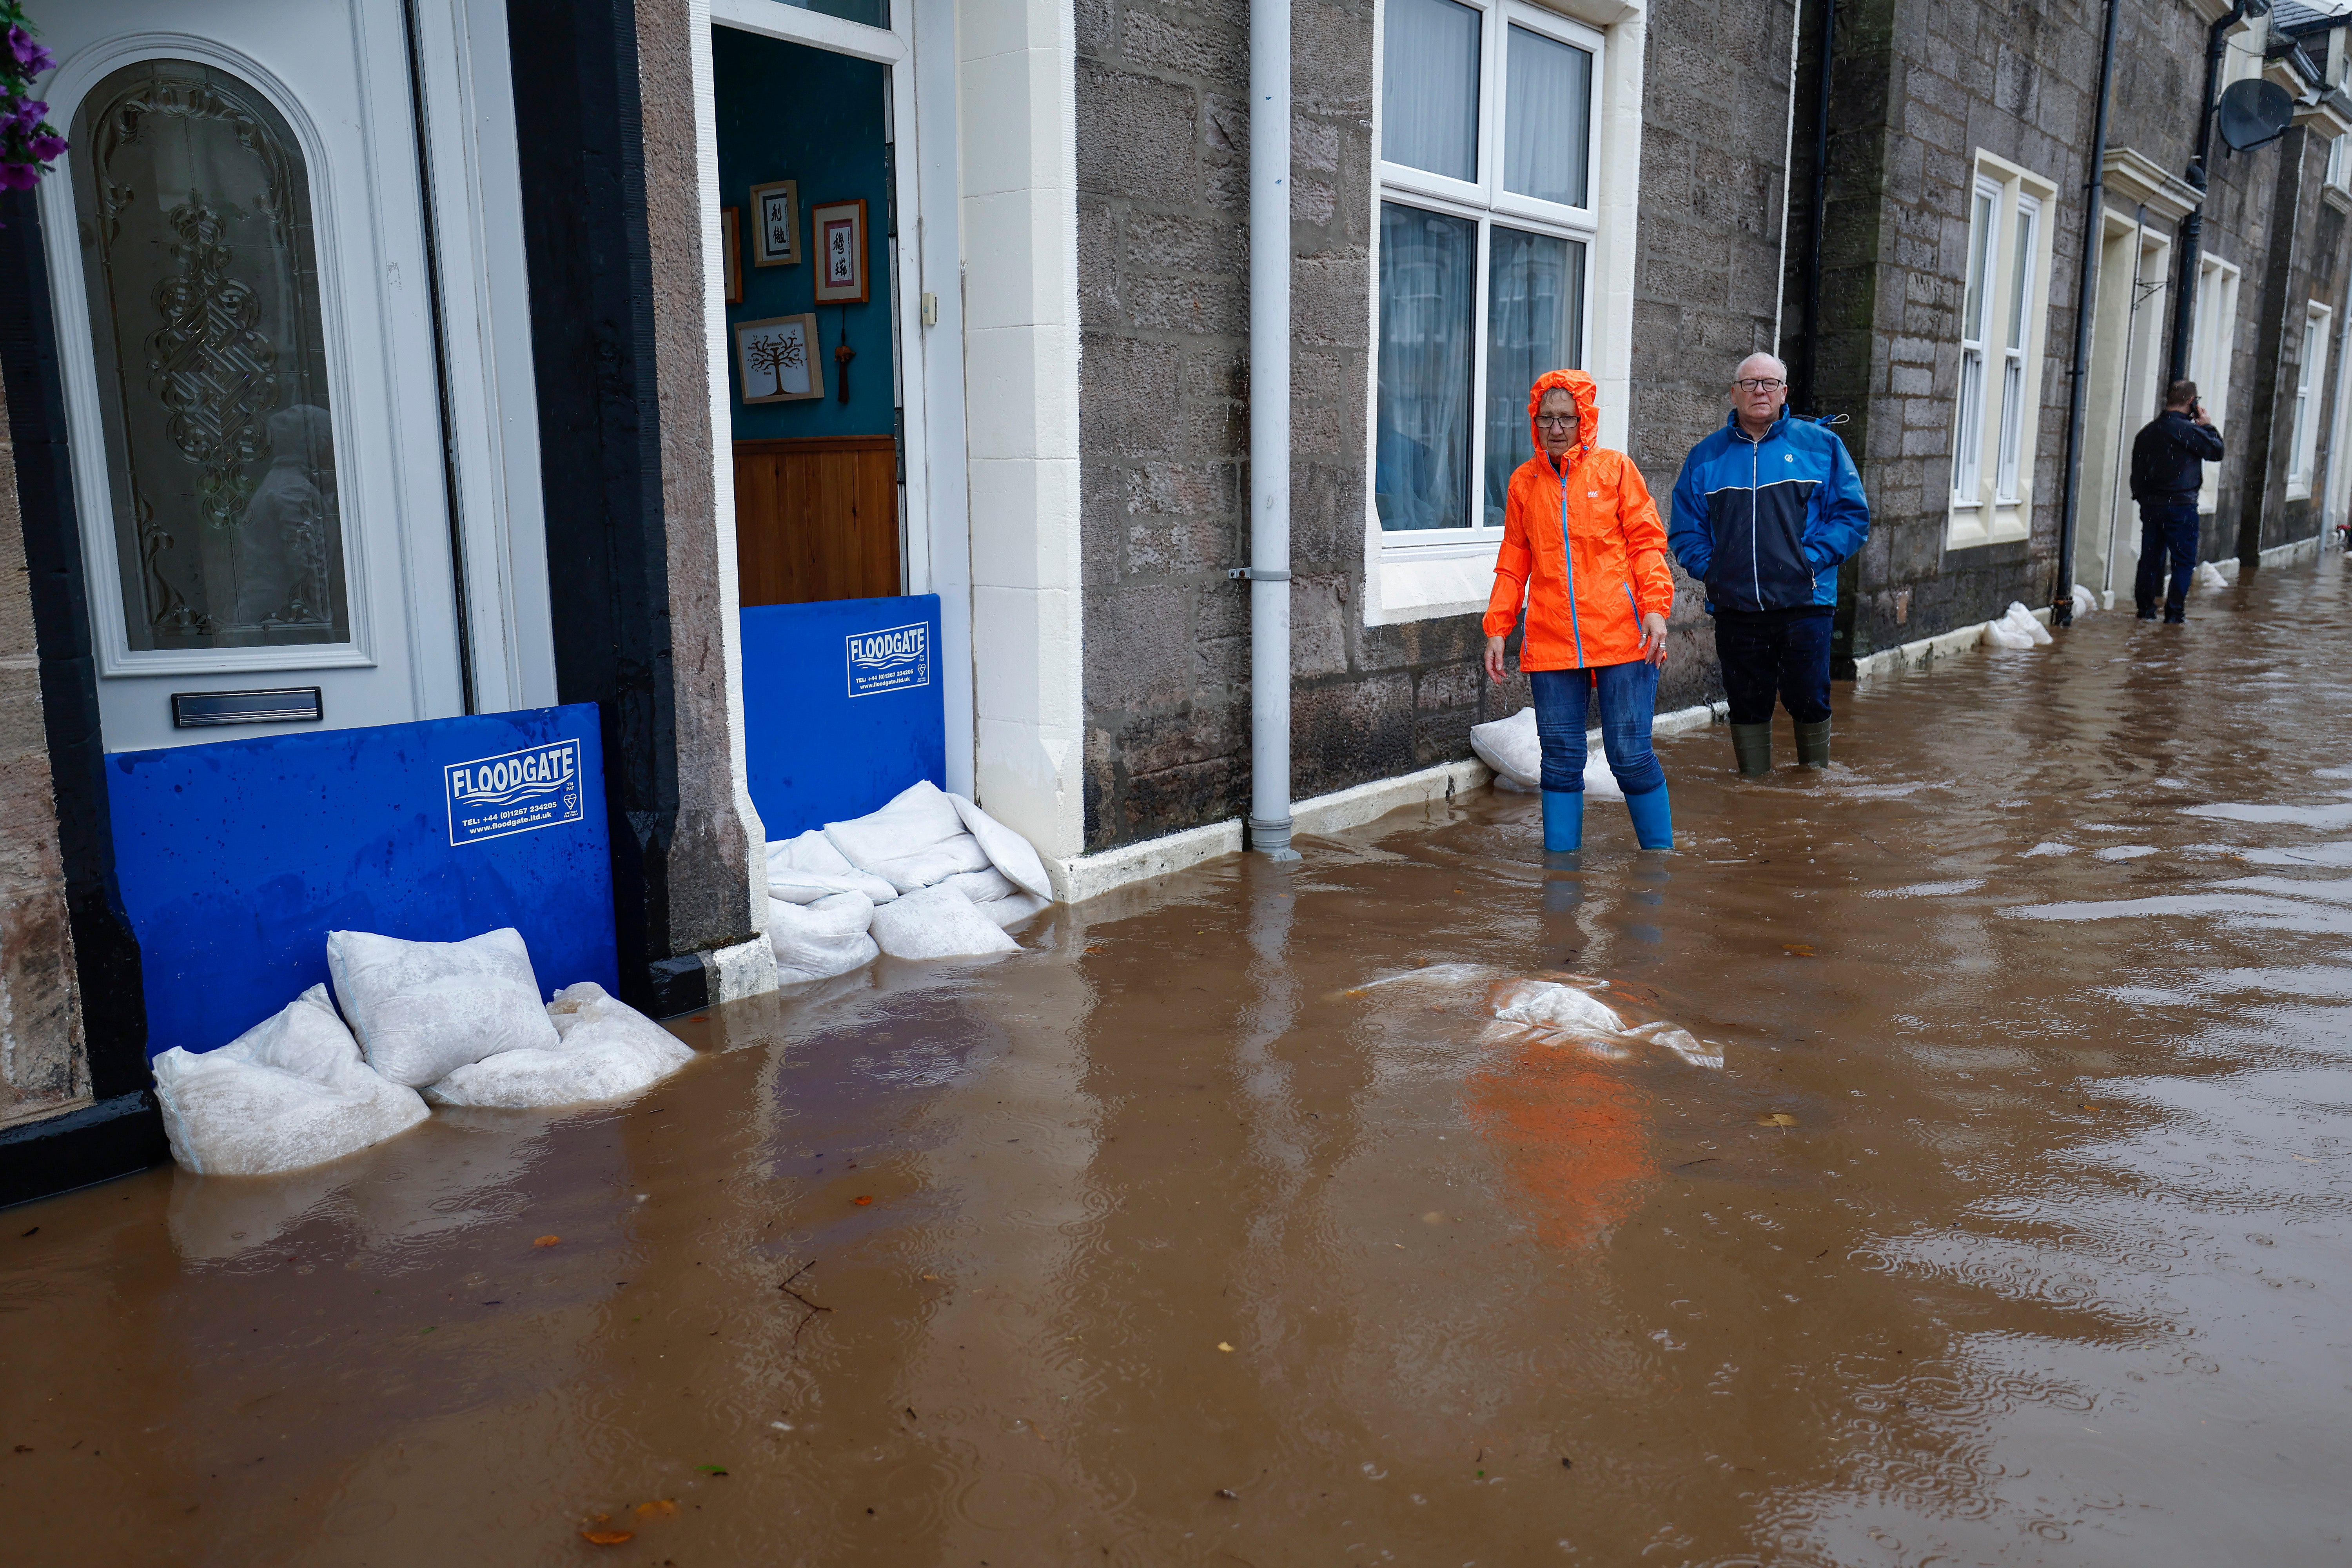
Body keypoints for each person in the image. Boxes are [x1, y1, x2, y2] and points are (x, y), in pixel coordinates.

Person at [1482, 370, 1675, 854]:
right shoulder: (1524, 484)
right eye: (1546, 417)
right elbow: (1513, 562)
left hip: (1622, 635)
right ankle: (1561, 879)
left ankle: (1661, 863)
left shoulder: (1615, 470)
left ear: (1585, 419)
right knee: (1561, 759)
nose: (1556, 427)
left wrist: (1655, 607)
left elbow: (1647, 545)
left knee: (1629, 756)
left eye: (1567, 417)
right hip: (1551, 639)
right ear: (1535, 421)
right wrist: (1498, 626)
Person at [1667, 353, 1870, 775]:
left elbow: (1852, 517)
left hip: (1806, 602)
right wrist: (1717, 569)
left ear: (1784, 392)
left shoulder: (1821, 446)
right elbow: (1686, 530)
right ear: (1734, 393)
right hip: (1737, 607)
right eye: (1750, 383)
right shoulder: (1705, 457)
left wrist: (1808, 562)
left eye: (1769, 383)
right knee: (1746, 702)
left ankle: (1813, 784)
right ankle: (1753, 789)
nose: (1760, 390)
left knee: (1808, 696)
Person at [2129, 379, 2224, 623]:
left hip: (2151, 506)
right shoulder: (2189, 431)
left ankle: (2146, 612)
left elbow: (2137, 472)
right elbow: (2217, 452)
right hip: (2181, 507)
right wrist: (2208, 426)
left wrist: (2142, 498)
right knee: (2183, 562)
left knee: (2150, 559)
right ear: (2192, 402)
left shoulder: (2147, 432)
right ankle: (2174, 616)